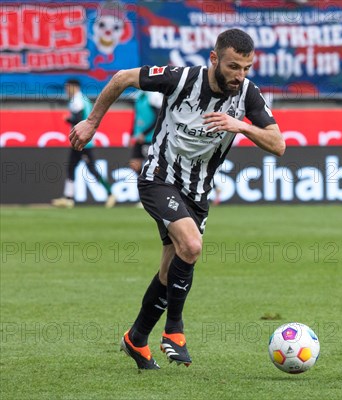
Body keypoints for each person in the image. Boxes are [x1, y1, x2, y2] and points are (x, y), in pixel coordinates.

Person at [69, 29, 285, 370]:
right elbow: (122, 77)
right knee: (193, 246)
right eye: (233, 66)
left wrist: (239, 126)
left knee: (171, 269)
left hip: (197, 192)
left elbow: (278, 143)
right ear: (214, 59)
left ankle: (136, 339)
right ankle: (174, 330)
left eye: (246, 67)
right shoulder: (181, 78)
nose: (239, 75)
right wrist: (92, 122)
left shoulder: (247, 95)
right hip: (159, 179)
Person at [52, 79, 117, 208]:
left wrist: (68, 119)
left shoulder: (77, 100)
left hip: (83, 142)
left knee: (91, 169)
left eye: (67, 88)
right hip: (80, 140)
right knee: (71, 167)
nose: (66, 91)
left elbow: (78, 118)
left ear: (73, 87)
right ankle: (68, 198)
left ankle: (110, 194)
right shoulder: (82, 99)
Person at [129, 90, 163, 175]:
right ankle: (142, 185)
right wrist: (131, 134)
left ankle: (153, 185)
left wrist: (144, 133)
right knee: (135, 164)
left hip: (150, 138)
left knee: (154, 167)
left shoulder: (154, 96)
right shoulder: (138, 95)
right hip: (139, 137)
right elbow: (137, 117)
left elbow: (158, 117)